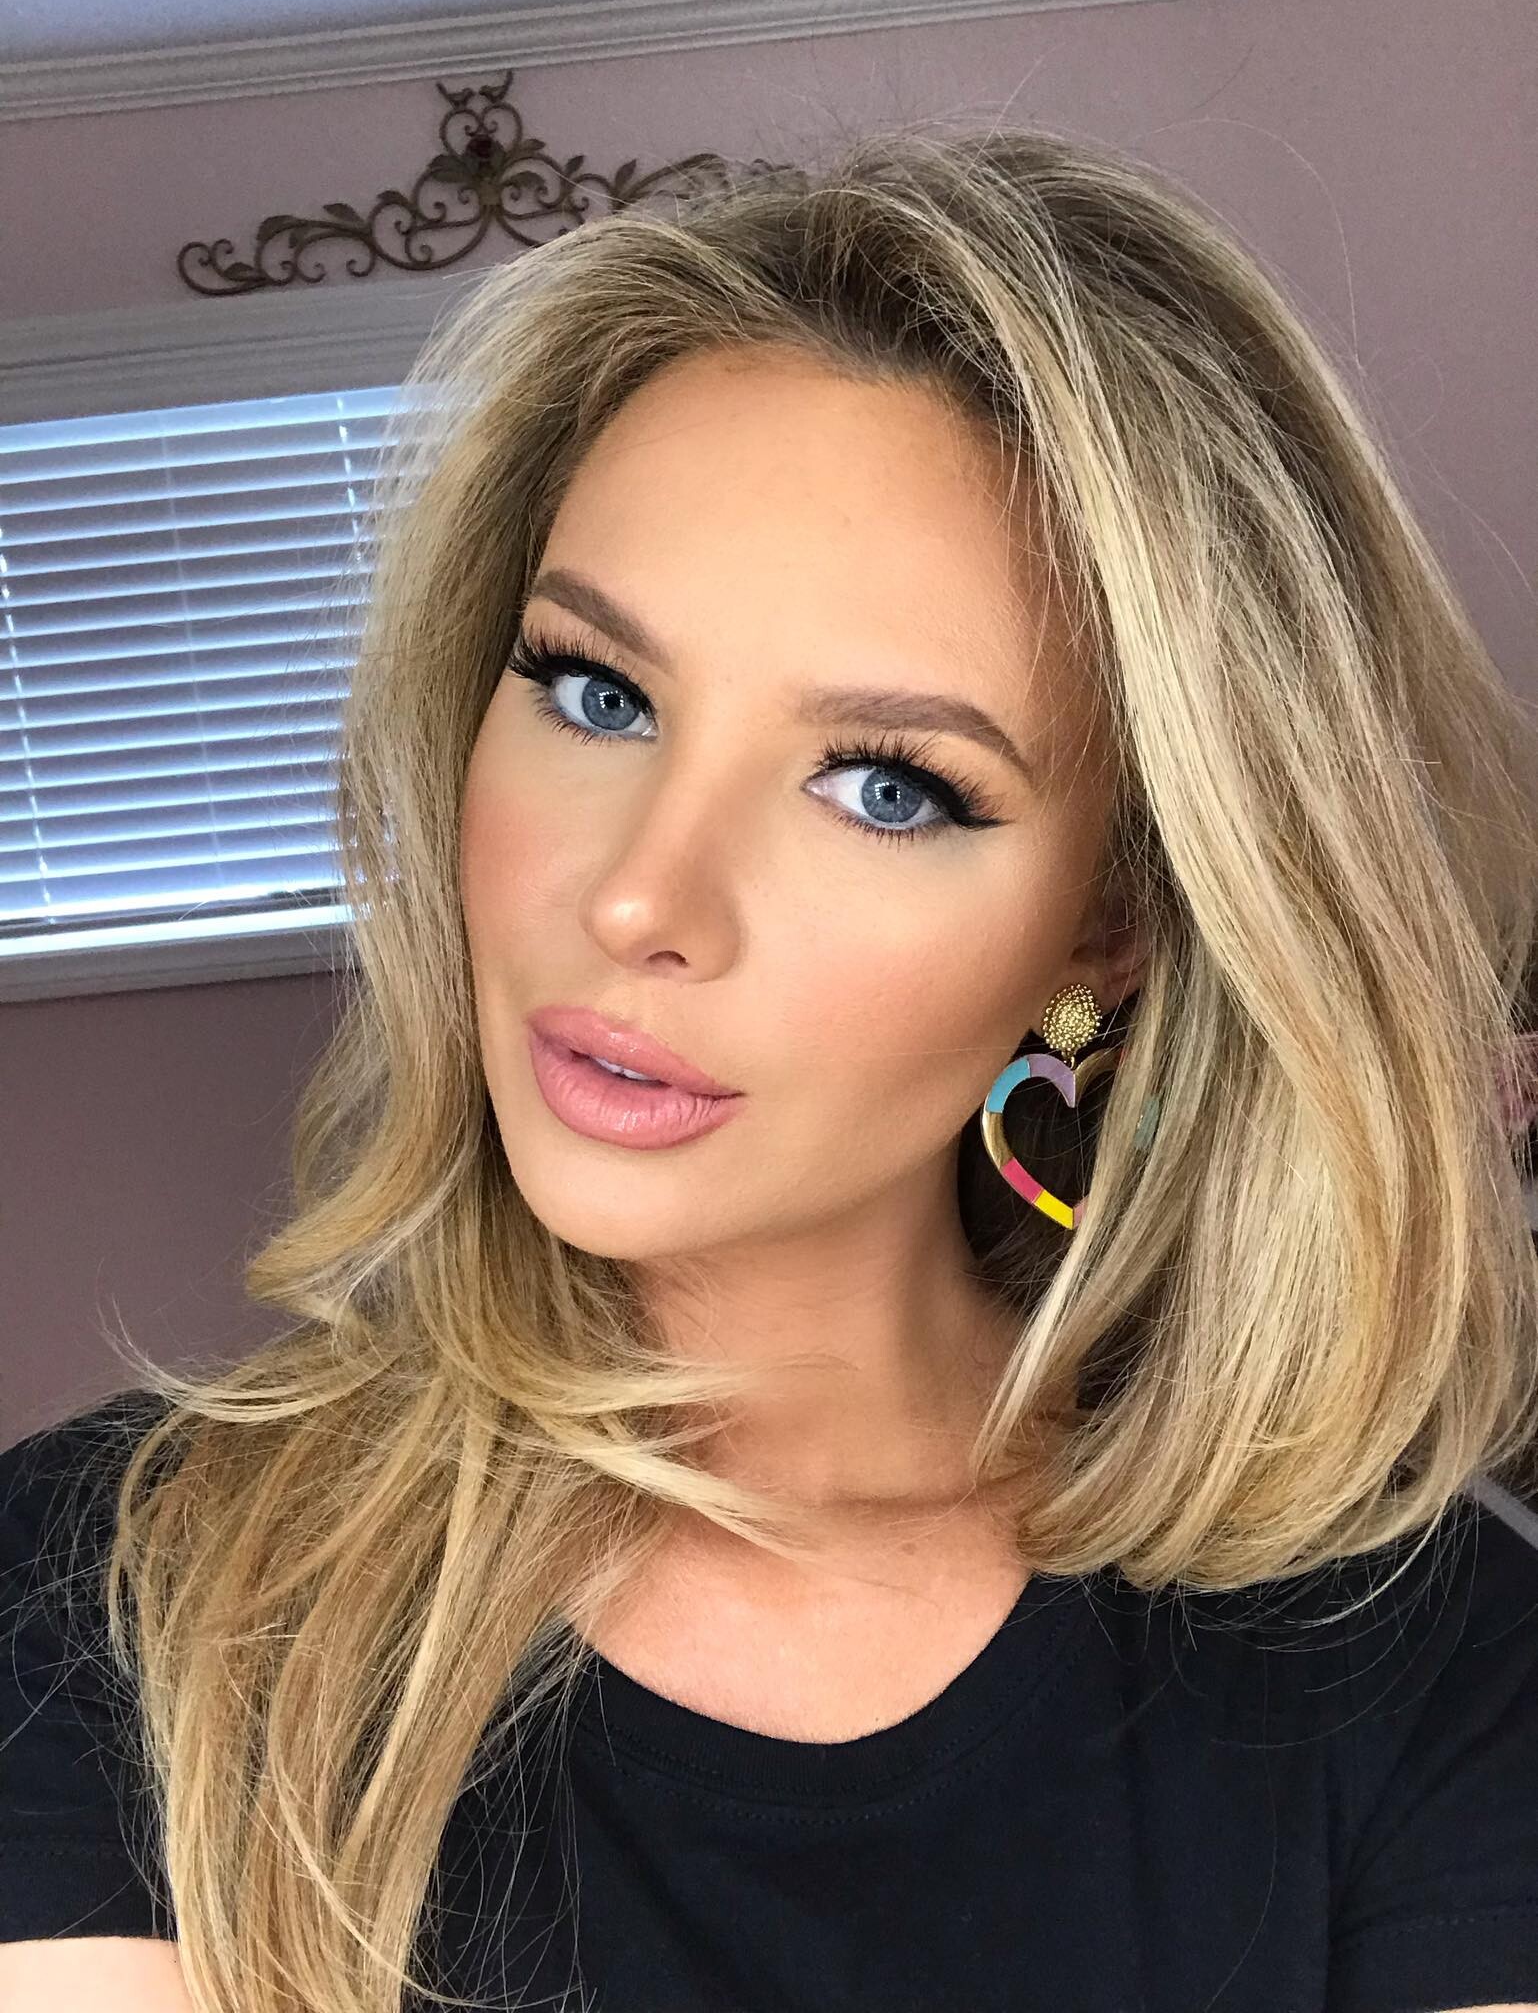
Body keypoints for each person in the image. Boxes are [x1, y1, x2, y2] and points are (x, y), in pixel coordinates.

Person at [3, 122, 1538, 2013]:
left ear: (1110, 926)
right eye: (594, 692)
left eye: (886, 788)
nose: (638, 895)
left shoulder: (1425, 1667)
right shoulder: (114, 1599)